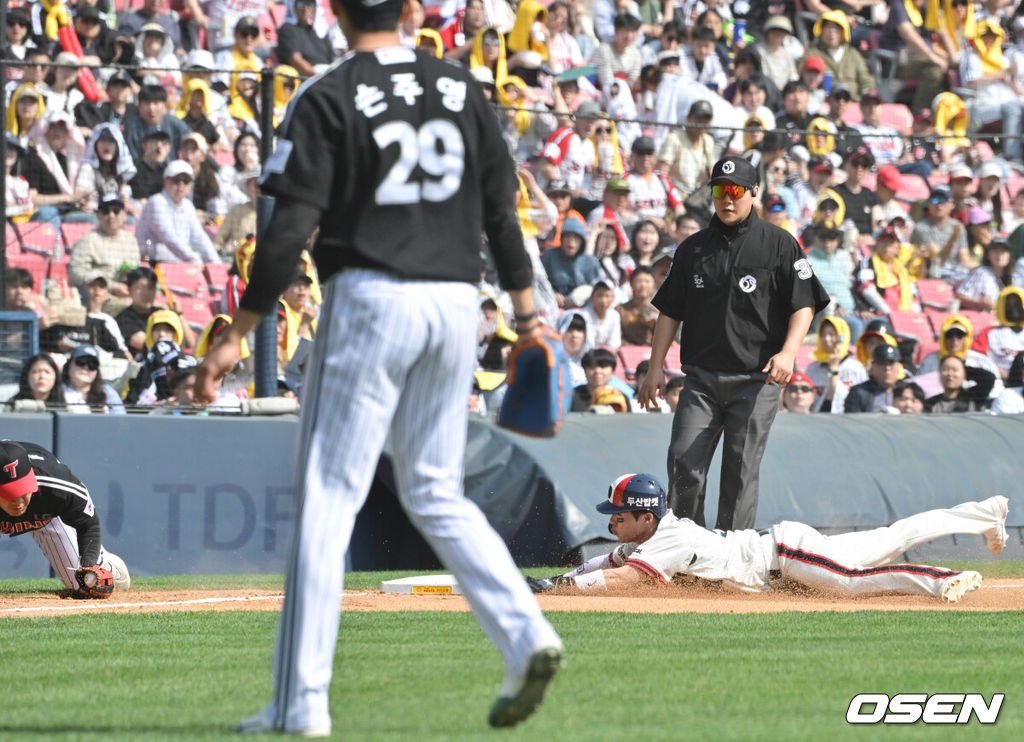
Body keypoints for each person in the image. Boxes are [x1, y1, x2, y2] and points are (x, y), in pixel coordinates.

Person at [194, 0, 563, 734]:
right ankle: (527, 634)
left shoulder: (326, 92)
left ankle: (301, 706)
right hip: (458, 304)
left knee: (329, 499)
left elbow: (289, 228)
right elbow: (502, 218)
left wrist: (238, 330)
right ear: (413, 11)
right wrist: (528, 316)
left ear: (333, 9)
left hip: (369, 296)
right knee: (436, 490)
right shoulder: (464, 90)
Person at [638, 156, 830, 530]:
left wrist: (789, 352)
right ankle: (688, 551)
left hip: (756, 381)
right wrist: (654, 366)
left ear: (753, 193)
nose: (726, 199)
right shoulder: (692, 249)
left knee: (739, 472)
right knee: (682, 461)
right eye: (719, 191)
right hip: (701, 381)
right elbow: (669, 311)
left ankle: (731, 559)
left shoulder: (780, 244)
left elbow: (804, 303)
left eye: (735, 191)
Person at [528, 473, 1006, 603]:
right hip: (783, 555)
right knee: (893, 535)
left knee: (851, 582)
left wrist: (569, 590)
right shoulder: (645, 540)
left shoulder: (666, 540)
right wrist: (556, 580)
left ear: (644, 518)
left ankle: (942, 579)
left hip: (784, 555)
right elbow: (606, 564)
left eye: (619, 515)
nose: (612, 521)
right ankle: (983, 514)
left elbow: (629, 579)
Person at [0, 440, 130, 596]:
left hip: (47, 513)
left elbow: (89, 524)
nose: (19, 503)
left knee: (85, 583)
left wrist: (89, 564)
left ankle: (105, 562)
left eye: (23, 491)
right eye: (11, 496)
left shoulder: (55, 483)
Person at [135, 160, 222, 264]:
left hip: (181, 263)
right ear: (165, 181)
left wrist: (216, 263)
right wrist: (194, 259)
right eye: (176, 180)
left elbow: (199, 237)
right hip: (153, 262)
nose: (181, 185)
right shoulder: (156, 202)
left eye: (186, 181)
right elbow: (169, 238)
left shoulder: (188, 205)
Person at [67, 193, 142, 294]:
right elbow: (75, 275)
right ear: (98, 215)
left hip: (130, 294)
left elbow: (135, 269)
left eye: (116, 211)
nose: (111, 215)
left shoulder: (131, 239)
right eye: (105, 211)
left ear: (125, 215)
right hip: (101, 296)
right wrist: (110, 285)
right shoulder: (88, 240)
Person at [61, 343, 126, 414]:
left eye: (92, 364)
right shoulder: (56, 389)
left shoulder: (108, 392)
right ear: (69, 364)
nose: (86, 367)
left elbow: (121, 421)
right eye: (81, 362)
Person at [844, 342, 902, 413]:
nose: (887, 368)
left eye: (891, 363)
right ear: (873, 366)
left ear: (898, 367)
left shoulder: (906, 391)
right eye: (882, 363)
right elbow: (851, 422)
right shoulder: (858, 393)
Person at [925, 354, 995, 413]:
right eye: (945, 369)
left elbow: (989, 378)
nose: (950, 374)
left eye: (954, 370)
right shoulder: (930, 403)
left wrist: (963, 370)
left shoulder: (975, 398)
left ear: (965, 374)